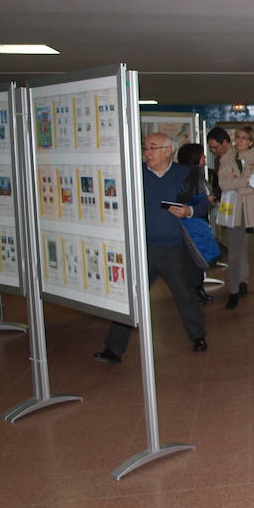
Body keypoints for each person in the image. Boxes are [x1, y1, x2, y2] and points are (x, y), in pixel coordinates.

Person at [94, 133, 210, 362]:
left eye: (153, 148)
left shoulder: (184, 174)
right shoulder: (135, 174)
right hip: (142, 249)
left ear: (168, 151)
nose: (147, 152)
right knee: (131, 299)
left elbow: (203, 202)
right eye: (145, 148)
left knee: (185, 295)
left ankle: (197, 336)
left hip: (174, 249)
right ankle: (114, 349)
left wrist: (189, 211)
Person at [216, 125, 254, 309]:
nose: (239, 141)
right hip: (234, 209)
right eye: (237, 137)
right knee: (234, 252)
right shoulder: (226, 159)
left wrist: (239, 184)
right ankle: (235, 289)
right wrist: (247, 181)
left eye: (243, 138)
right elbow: (223, 184)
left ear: (251, 141)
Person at [175, 143, 215, 304]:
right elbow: (189, 199)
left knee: (197, 259)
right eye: (202, 155)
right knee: (194, 260)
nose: (205, 158)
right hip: (194, 222)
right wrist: (207, 200)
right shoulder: (191, 175)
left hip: (197, 221)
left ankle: (198, 289)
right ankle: (194, 292)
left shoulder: (190, 173)